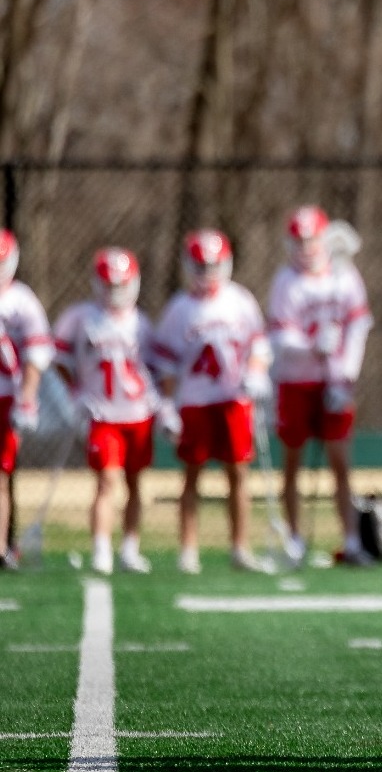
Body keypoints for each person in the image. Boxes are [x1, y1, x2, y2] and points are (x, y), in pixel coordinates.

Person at [151, 230, 273, 573]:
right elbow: (167, 364)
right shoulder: (179, 309)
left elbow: (258, 346)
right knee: (192, 475)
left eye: (213, 265)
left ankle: (240, 547)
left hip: (233, 399)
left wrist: (256, 373)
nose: (207, 273)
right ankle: (188, 549)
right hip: (195, 400)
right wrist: (168, 404)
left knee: (238, 473)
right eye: (201, 266)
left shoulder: (240, 301)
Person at [268, 205, 374, 565]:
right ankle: (294, 538)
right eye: (298, 241)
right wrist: (311, 346)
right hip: (296, 380)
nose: (305, 248)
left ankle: (351, 539)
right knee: (292, 462)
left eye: (310, 240)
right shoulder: (286, 281)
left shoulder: (345, 277)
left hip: (334, 382)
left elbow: (358, 327)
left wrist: (346, 376)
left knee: (340, 461)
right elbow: (280, 337)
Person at [53, 248, 160, 575]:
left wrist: (161, 404)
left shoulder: (141, 323)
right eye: (109, 285)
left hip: (138, 413)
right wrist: (76, 393)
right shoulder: (80, 317)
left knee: (135, 482)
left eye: (120, 285)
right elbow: (59, 359)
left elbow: (153, 369)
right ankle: (101, 549)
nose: (115, 292)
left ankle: (130, 548)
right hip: (102, 414)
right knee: (106, 481)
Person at [0, 229, 53, 568]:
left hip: (6, 396)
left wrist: (27, 399)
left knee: (0, 475)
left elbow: (36, 353)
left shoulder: (22, 301)